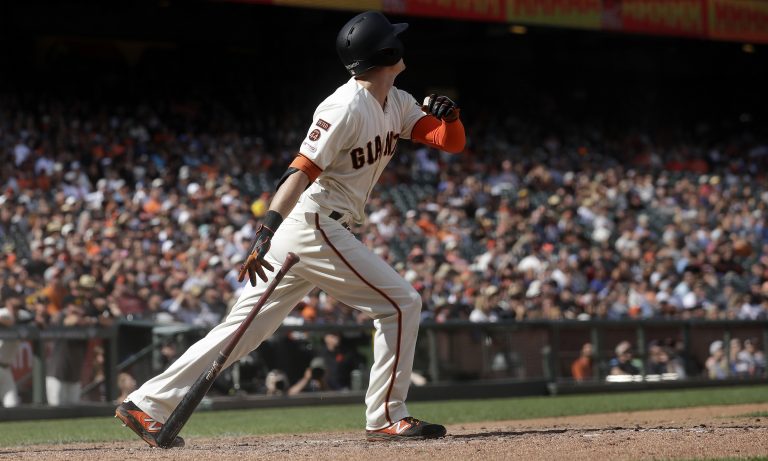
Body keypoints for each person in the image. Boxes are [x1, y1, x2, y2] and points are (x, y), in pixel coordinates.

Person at [116, 11, 465, 447]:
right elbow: (299, 172)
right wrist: (266, 231)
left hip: (315, 228)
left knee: (242, 331)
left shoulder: (397, 101)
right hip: (314, 224)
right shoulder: (344, 107)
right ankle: (386, 416)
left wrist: (450, 118)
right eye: (396, 41)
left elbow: (448, 142)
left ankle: (146, 403)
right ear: (389, 54)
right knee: (401, 303)